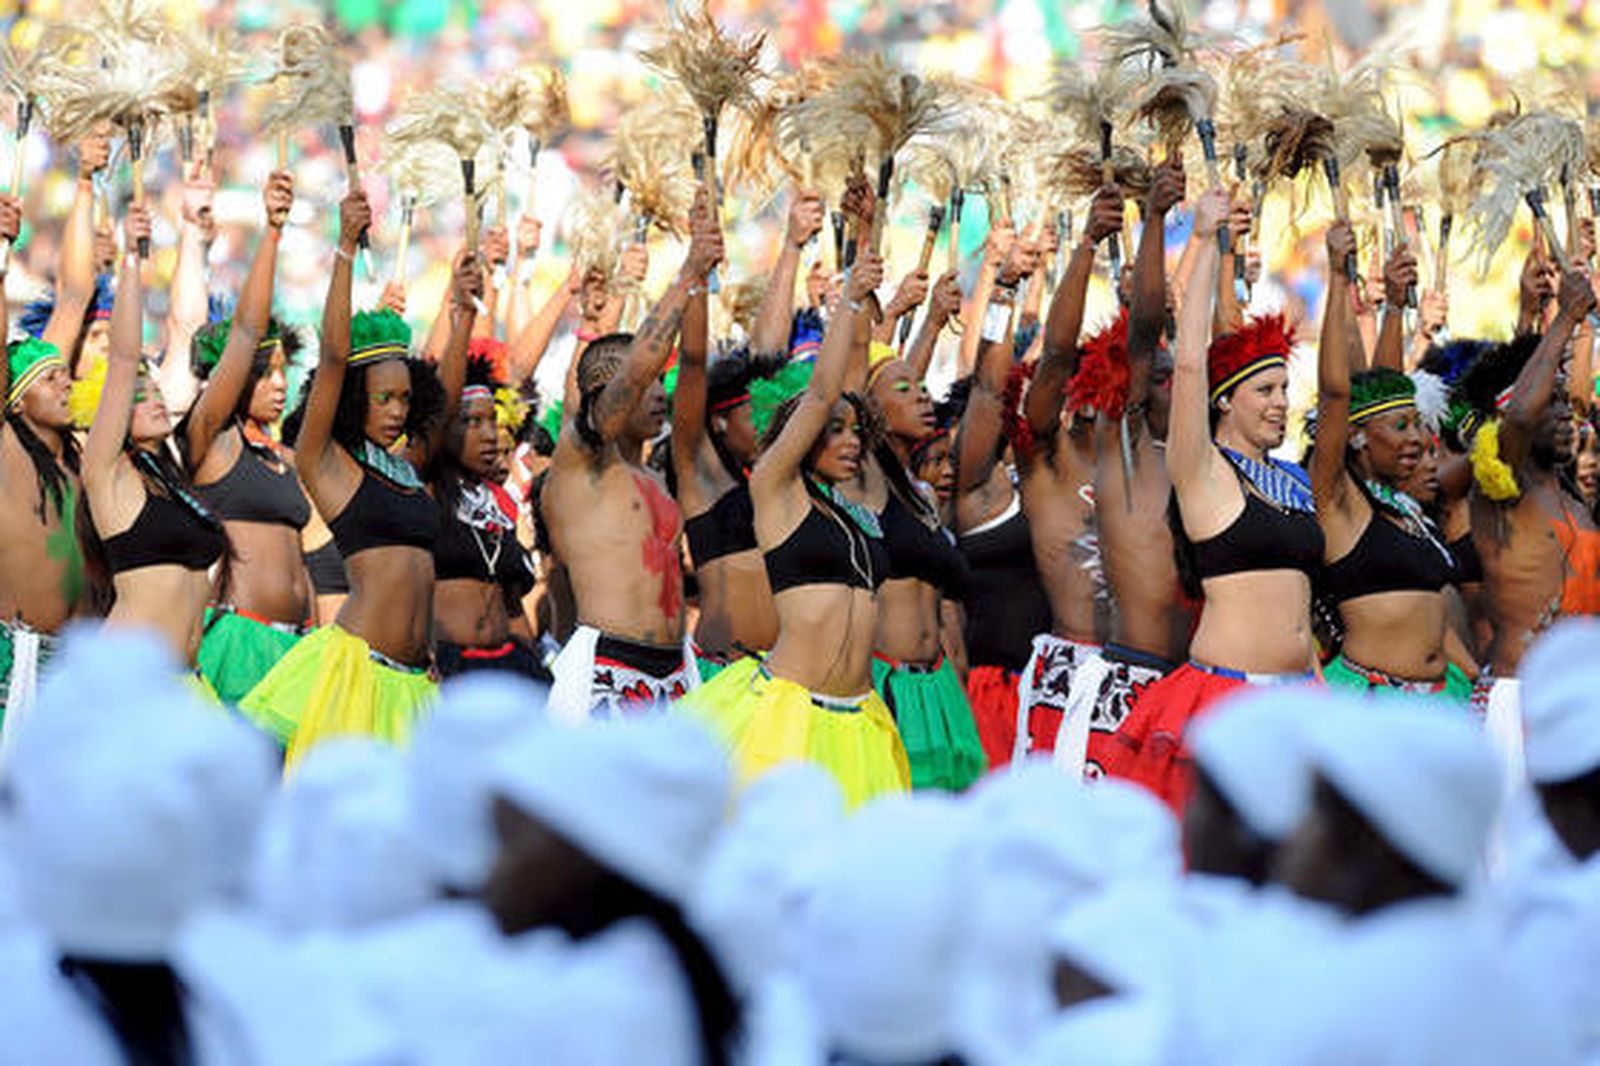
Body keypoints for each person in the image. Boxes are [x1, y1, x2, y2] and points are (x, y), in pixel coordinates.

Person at [242, 189, 481, 767]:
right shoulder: (326, 459)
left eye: (404, 397)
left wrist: (462, 314)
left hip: (416, 682)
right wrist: (345, 248)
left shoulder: (404, 464)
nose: (397, 410)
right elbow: (331, 358)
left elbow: (443, 405)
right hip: (358, 676)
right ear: (356, 399)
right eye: (383, 399)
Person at [1104, 188, 1321, 814]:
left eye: (1285, 388)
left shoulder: (1294, 479)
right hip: (1225, 696)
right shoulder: (1201, 469)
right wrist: (1200, 240)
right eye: (1266, 390)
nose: (1281, 402)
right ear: (1226, 400)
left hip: (1300, 694)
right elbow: (1193, 362)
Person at [679, 243, 911, 807]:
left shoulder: (853, 507)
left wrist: (865, 248)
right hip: (791, 719)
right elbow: (824, 391)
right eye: (834, 430)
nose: (852, 440)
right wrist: (848, 302)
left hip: (862, 721)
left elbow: (854, 379)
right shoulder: (775, 492)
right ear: (800, 438)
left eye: (858, 430)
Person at [543, 187, 722, 722]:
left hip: (675, 669)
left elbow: (691, 365)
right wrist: (686, 271)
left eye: (657, 385)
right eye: (646, 386)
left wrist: (703, 277)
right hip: (606, 667)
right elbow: (643, 363)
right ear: (607, 391)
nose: (658, 392)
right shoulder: (581, 458)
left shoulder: (657, 473)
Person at [483, 715, 741, 1066]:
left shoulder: (596, 1013)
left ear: (587, 855)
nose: (495, 869)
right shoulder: (671, 980)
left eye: (514, 842)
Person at [1058, 164, 1195, 780]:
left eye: (1179, 376)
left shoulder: (1205, 465)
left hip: (1195, 691)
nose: (1172, 385)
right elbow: (1143, 336)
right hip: (1129, 686)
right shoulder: (1127, 445)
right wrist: (1156, 221)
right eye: (1160, 378)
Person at [1310, 222, 1469, 698]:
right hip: (1373, 705)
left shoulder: (1406, 507)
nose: (1418, 439)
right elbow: (1338, 393)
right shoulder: (1338, 500)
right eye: (1401, 428)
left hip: (1442, 698)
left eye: (1417, 424)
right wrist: (1339, 277)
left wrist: (1397, 305)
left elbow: (1383, 383)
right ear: (1356, 438)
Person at [182, 170, 314, 704]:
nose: (280, 384)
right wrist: (273, 232)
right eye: (266, 372)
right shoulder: (211, 437)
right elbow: (245, 331)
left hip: (296, 650)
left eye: (286, 370)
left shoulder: (285, 455)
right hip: (234, 643)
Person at [77, 206, 227, 674]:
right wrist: (131, 259)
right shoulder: (107, 470)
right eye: (139, 396)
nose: (156, 397)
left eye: (156, 387)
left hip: (185, 683)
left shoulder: (171, 470)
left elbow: (187, 331)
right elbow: (124, 359)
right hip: (126, 682)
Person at [1011, 192, 1120, 762]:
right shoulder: (1047, 457)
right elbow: (1054, 352)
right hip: (1067, 665)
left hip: (1138, 669)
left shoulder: (1143, 458)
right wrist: (1086, 247)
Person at [861, 340, 983, 792]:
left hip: (938, 688)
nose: (923, 396)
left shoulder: (924, 494)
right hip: (889, 686)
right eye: (905, 389)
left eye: (923, 388)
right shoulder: (862, 483)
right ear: (870, 408)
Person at [0, 190, 86, 732]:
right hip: (16, 662)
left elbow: (75, 297)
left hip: (74, 671)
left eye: (65, 373)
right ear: (17, 397)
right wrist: (1, 251)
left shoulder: (84, 464)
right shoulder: (6, 449)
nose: (67, 382)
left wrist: (86, 182)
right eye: (49, 378)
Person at [429, 342, 540, 679]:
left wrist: (532, 669)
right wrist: (463, 315)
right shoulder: (425, 490)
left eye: (492, 420)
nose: (490, 435)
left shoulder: (495, 503)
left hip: (506, 666)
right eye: (472, 422)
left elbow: (511, 605)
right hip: (446, 671)